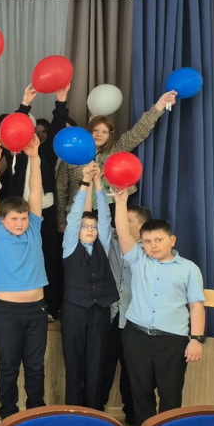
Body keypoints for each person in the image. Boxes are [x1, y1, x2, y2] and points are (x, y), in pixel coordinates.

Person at [113, 189, 205, 426]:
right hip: (136, 336)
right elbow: (123, 233)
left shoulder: (189, 269)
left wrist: (196, 339)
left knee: (170, 393)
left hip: (172, 340)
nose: (153, 246)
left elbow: (196, 306)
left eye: (158, 240)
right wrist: (121, 202)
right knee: (140, 391)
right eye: (147, 241)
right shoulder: (137, 259)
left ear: (171, 240)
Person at [0, 136, 48, 422]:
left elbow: (35, 190)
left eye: (23, 218)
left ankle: (35, 413)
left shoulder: (34, 227)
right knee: (9, 365)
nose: (21, 223)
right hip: (7, 311)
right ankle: (7, 414)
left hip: (36, 310)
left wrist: (34, 157)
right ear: (3, 220)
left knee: (35, 367)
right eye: (14, 219)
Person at [56, 91, 178, 228]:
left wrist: (159, 106)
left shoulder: (116, 149)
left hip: (110, 206)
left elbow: (139, 131)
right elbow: (61, 189)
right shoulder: (72, 154)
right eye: (95, 130)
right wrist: (61, 220)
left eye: (104, 132)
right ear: (88, 130)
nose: (99, 134)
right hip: (78, 208)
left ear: (109, 135)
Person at [6, 83, 71, 320]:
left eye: (32, 132)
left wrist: (61, 101)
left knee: (49, 258)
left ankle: (50, 307)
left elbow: (57, 128)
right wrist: (25, 103)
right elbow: (15, 124)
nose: (29, 136)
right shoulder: (13, 152)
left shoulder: (46, 152)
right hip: (18, 214)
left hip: (46, 212)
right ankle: (19, 303)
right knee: (20, 258)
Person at [61, 162, 118, 410]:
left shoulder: (102, 244)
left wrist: (98, 184)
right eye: (85, 227)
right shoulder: (70, 245)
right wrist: (85, 183)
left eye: (92, 227)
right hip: (75, 309)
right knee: (74, 362)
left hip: (100, 309)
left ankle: (94, 411)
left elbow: (105, 218)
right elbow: (74, 217)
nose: (90, 230)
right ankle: (74, 410)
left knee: (97, 362)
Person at [100, 203, 151, 426]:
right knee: (103, 366)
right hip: (110, 313)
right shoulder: (110, 238)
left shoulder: (149, 249)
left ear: (142, 225)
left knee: (133, 370)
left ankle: (134, 415)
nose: (121, 222)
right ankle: (96, 412)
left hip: (135, 317)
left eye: (129, 220)